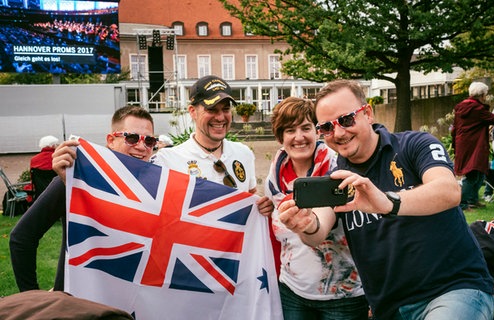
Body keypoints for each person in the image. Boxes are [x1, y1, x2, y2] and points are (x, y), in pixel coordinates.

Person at [277, 80, 494, 320]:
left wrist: (386, 202)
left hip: (452, 289)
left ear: (367, 113)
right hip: (390, 308)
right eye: (327, 127)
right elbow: (317, 230)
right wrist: (304, 225)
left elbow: (449, 191)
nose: (338, 133)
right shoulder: (337, 179)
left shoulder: (414, 144)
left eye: (346, 119)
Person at [9, 106, 157, 292]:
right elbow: (21, 238)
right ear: (111, 140)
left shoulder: (156, 189)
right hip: (78, 304)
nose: (142, 147)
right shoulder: (76, 178)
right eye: (132, 138)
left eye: (150, 140)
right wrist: (33, 297)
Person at [265, 97, 367, 319]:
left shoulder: (338, 170)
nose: (299, 137)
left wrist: (308, 225)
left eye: (306, 128)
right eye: (290, 130)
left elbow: (318, 231)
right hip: (292, 292)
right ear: (280, 137)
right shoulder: (273, 180)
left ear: (317, 131)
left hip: (343, 298)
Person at [151, 75, 273, 216]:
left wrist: (262, 206)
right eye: (212, 110)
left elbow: (251, 195)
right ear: (192, 112)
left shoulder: (244, 153)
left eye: (226, 109)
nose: (220, 117)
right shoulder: (168, 160)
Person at [452, 81, 494, 210]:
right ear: (481, 95)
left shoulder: (462, 107)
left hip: (464, 144)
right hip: (474, 145)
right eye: (485, 94)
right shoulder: (477, 108)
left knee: (480, 173)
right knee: (472, 175)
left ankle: (472, 200)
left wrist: (455, 144)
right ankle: (463, 204)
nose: (486, 96)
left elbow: (455, 127)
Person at [29, 135, 59, 200]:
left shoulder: (34, 160)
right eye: (57, 145)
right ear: (53, 146)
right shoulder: (59, 158)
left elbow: (32, 179)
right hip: (58, 195)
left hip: (40, 196)